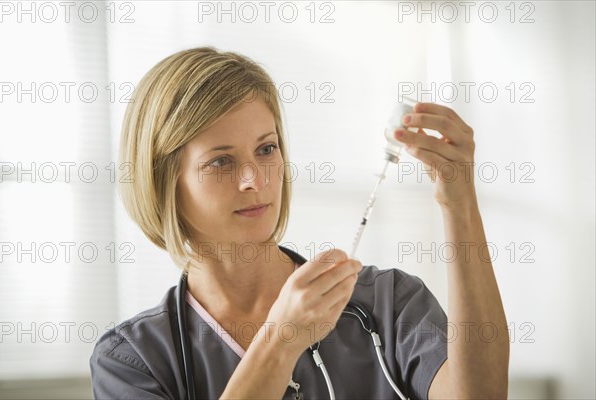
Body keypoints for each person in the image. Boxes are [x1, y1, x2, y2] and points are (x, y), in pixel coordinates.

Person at [89, 46, 509, 399]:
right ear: (164, 181)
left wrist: (459, 204)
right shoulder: (132, 360)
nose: (254, 179)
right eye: (221, 161)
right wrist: (280, 340)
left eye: (266, 149)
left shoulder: (388, 303)